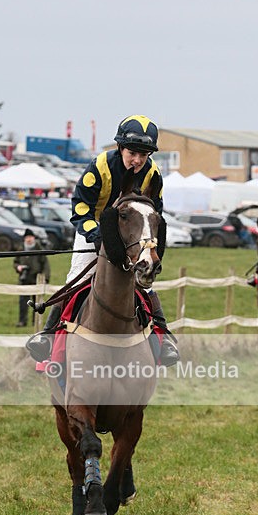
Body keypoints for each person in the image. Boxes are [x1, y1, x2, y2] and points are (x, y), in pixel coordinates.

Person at [43, 114, 179, 366]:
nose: (137, 160)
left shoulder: (153, 174)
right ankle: (48, 336)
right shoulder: (100, 166)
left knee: (145, 282)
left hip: (132, 237)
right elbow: (81, 207)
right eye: (133, 153)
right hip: (92, 230)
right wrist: (97, 236)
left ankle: (163, 337)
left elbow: (154, 213)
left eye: (144, 154)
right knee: (76, 279)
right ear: (120, 147)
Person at [14, 229, 51, 327]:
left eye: (30, 237)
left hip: (36, 278)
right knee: (23, 302)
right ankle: (22, 321)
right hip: (24, 278)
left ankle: (36, 322)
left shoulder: (39, 249)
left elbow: (46, 265)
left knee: (37, 302)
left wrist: (45, 278)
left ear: (33, 238)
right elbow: (15, 261)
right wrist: (18, 267)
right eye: (27, 237)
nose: (29, 239)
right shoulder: (21, 249)